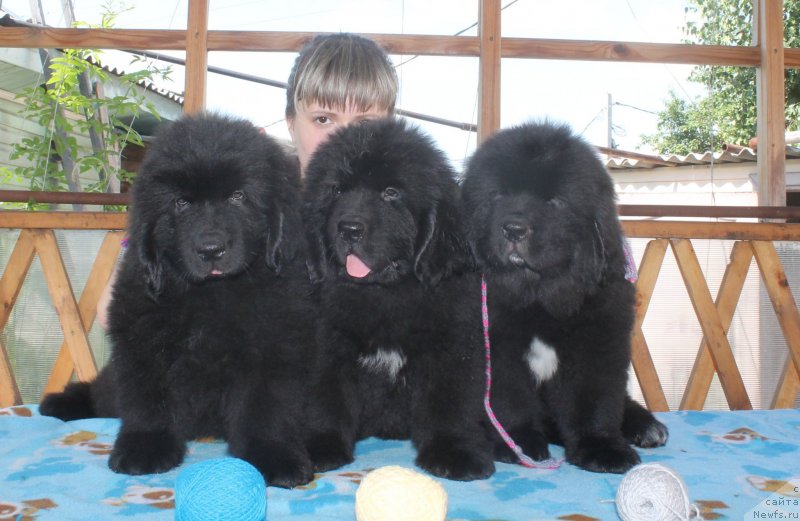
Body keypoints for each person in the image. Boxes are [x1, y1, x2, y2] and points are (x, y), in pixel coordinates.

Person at [95, 32, 399, 328]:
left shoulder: (411, 209)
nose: (341, 137)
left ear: (391, 127)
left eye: (364, 122)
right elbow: (111, 309)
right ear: (291, 123)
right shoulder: (259, 197)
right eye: (323, 119)